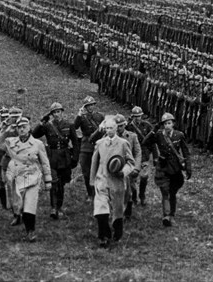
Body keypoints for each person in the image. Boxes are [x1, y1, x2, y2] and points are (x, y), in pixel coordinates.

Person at [0, 117, 52, 241]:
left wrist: (48, 180)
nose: (22, 129)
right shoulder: (10, 142)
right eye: (19, 127)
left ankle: (31, 232)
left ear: (29, 128)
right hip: (16, 178)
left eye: (25, 126)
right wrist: (4, 129)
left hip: (32, 177)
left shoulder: (37, 144)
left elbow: (45, 162)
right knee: (20, 206)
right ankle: (26, 227)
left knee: (30, 205)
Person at [90, 116, 135, 248]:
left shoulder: (123, 143)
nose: (109, 130)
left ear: (116, 129)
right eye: (107, 128)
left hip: (117, 181)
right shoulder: (100, 143)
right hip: (102, 180)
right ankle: (103, 236)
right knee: (100, 209)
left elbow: (130, 162)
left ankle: (117, 233)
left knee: (117, 209)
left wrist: (124, 172)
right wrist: (92, 181)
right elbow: (94, 162)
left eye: (112, 128)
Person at [142, 112, 192, 227]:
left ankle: (171, 213)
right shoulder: (159, 135)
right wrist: (153, 130)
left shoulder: (179, 135)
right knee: (165, 191)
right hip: (163, 167)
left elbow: (186, 152)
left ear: (173, 123)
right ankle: (166, 215)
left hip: (175, 168)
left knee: (172, 192)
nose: (167, 126)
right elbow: (145, 142)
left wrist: (188, 168)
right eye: (165, 124)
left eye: (169, 123)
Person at [32, 102, 79, 220]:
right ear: (51, 114)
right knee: (53, 182)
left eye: (58, 112)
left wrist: (75, 157)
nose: (57, 114)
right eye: (54, 112)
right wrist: (42, 122)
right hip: (52, 156)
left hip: (64, 156)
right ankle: (53, 208)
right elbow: (34, 134)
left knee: (61, 184)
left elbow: (75, 142)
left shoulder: (69, 125)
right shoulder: (47, 125)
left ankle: (59, 207)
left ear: (62, 112)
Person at [74, 96, 105, 201]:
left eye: (92, 105)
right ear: (85, 107)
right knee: (86, 171)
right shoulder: (82, 117)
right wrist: (79, 115)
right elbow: (74, 127)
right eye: (88, 106)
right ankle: (90, 193)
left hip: (98, 144)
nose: (90, 107)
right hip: (86, 145)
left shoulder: (100, 116)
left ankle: (99, 192)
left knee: (99, 171)